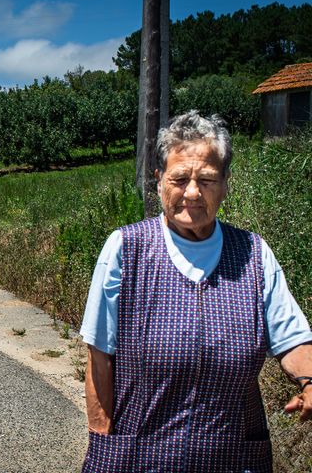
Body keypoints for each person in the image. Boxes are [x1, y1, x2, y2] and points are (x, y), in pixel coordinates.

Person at [80, 111, 312, 473]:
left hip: (233, 459)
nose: (192, 192)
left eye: (206, 180)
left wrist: (310, 380)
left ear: (225, 184)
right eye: (179, 178)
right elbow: (98, 358)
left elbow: (293, 337)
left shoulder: (252, 252)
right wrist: (103, 440)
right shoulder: (127, 249)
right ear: (159, 181)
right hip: (140, 458)